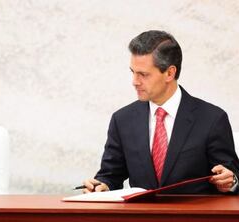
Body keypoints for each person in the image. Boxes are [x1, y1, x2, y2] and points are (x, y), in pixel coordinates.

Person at [83, 30, 239, 194]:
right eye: (133, 72)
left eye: (143, 74)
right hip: (141, 218)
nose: (134, 82)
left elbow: (232, 175)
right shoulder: (122, 120)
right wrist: (102, 186)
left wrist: (231, 181)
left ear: (170, 73)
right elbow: (110, 175)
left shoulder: (212, 118)